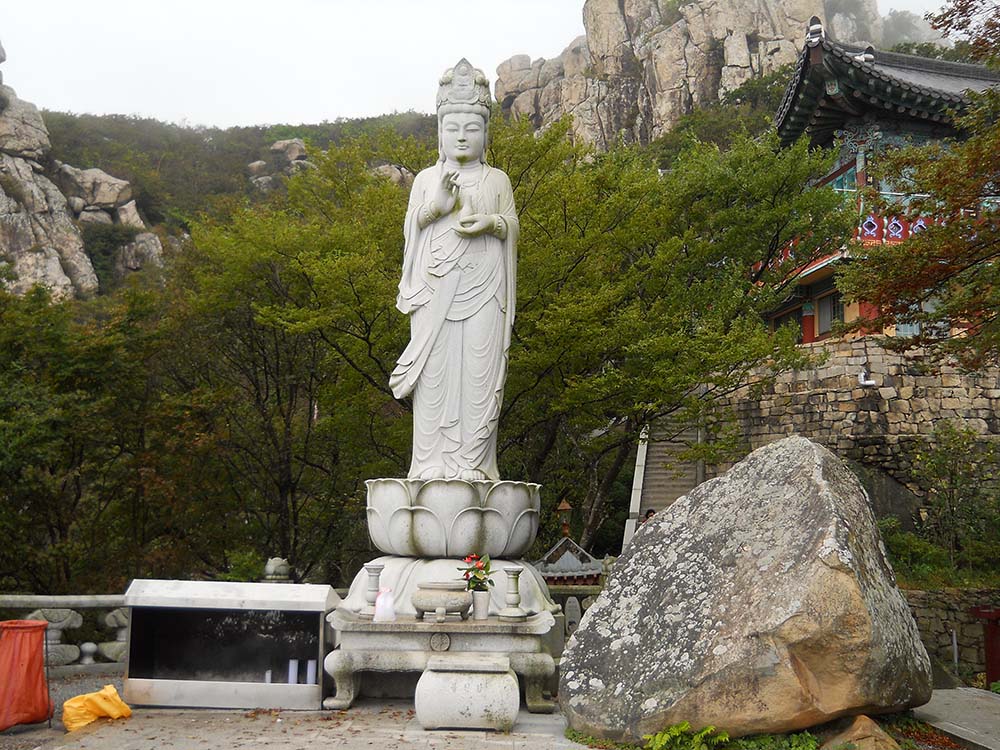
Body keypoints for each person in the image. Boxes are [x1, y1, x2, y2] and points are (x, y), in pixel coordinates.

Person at [389, 59, 519, 482]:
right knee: (436, 377)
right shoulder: (426, 179)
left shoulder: (496, 179)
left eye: (473, 128)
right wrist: (435, 209)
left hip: (485, 290)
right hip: (434, 291)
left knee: (480, 378)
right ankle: (428, 467)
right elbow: (412, 231)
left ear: (486, 134)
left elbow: (511, 224)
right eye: (452, 128)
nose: (462, 135)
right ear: (440, 133)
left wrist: (492, 224)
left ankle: (475, 464)